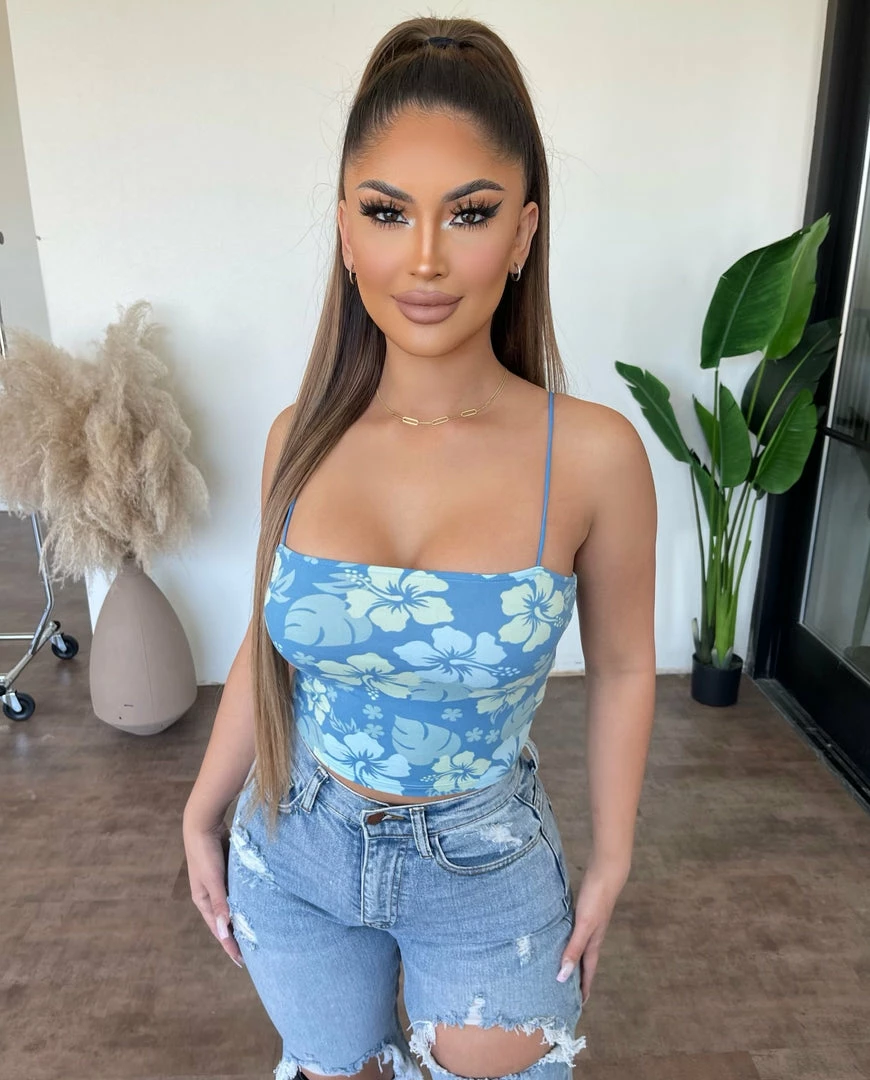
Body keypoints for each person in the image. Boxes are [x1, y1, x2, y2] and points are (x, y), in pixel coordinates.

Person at [183, 15, 657, 1080]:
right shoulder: (297, 438)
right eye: (388, 212)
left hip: (486, 870)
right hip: (293, 845)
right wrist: (200, 808)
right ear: (347, 232)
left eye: (471, 213)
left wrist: (614, 859)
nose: (427, 257)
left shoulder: (593, 455)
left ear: (525, 233)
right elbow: (265, 647)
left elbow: (628, 665)